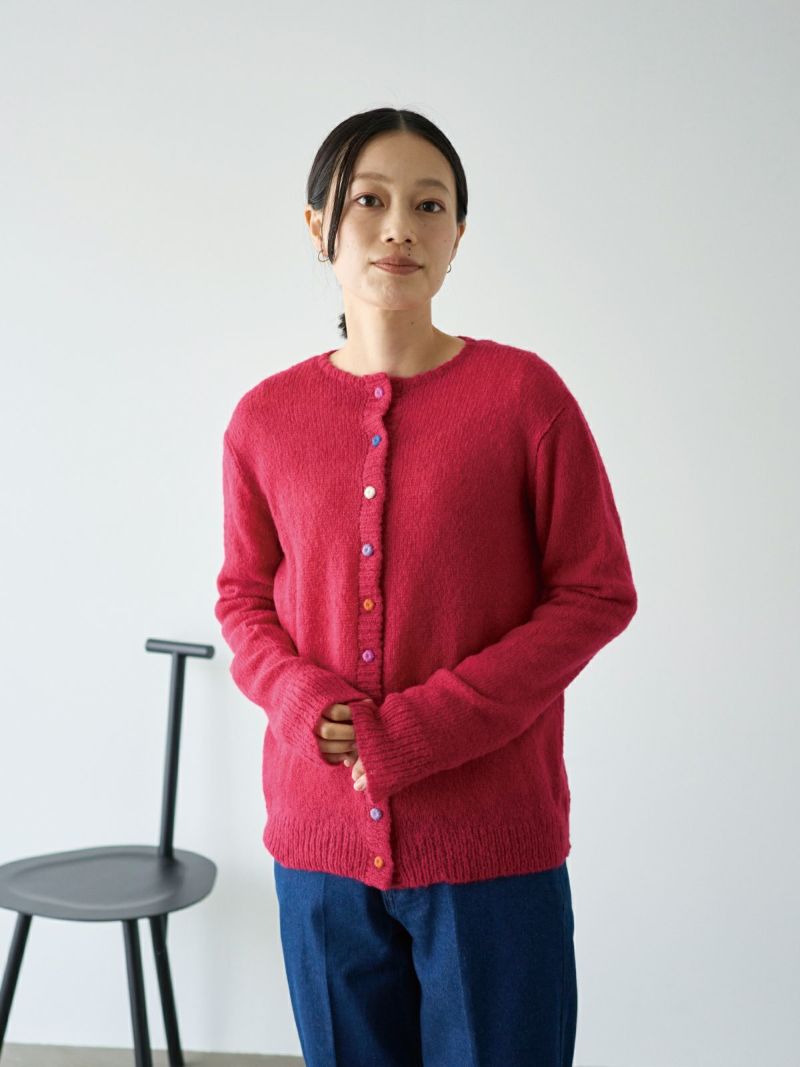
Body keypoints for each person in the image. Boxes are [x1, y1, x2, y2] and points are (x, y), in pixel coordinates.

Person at [214, 106, 638, 1067]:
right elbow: (242, 597)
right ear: (319, 224)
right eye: (369, 200)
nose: (399, 226)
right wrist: (297, 695)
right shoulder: (264, 419)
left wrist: (421, 729)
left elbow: (595, 592)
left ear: (458, 236)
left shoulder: (525, 398)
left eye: (429, 205)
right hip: (319, 851)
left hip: (491, 850)